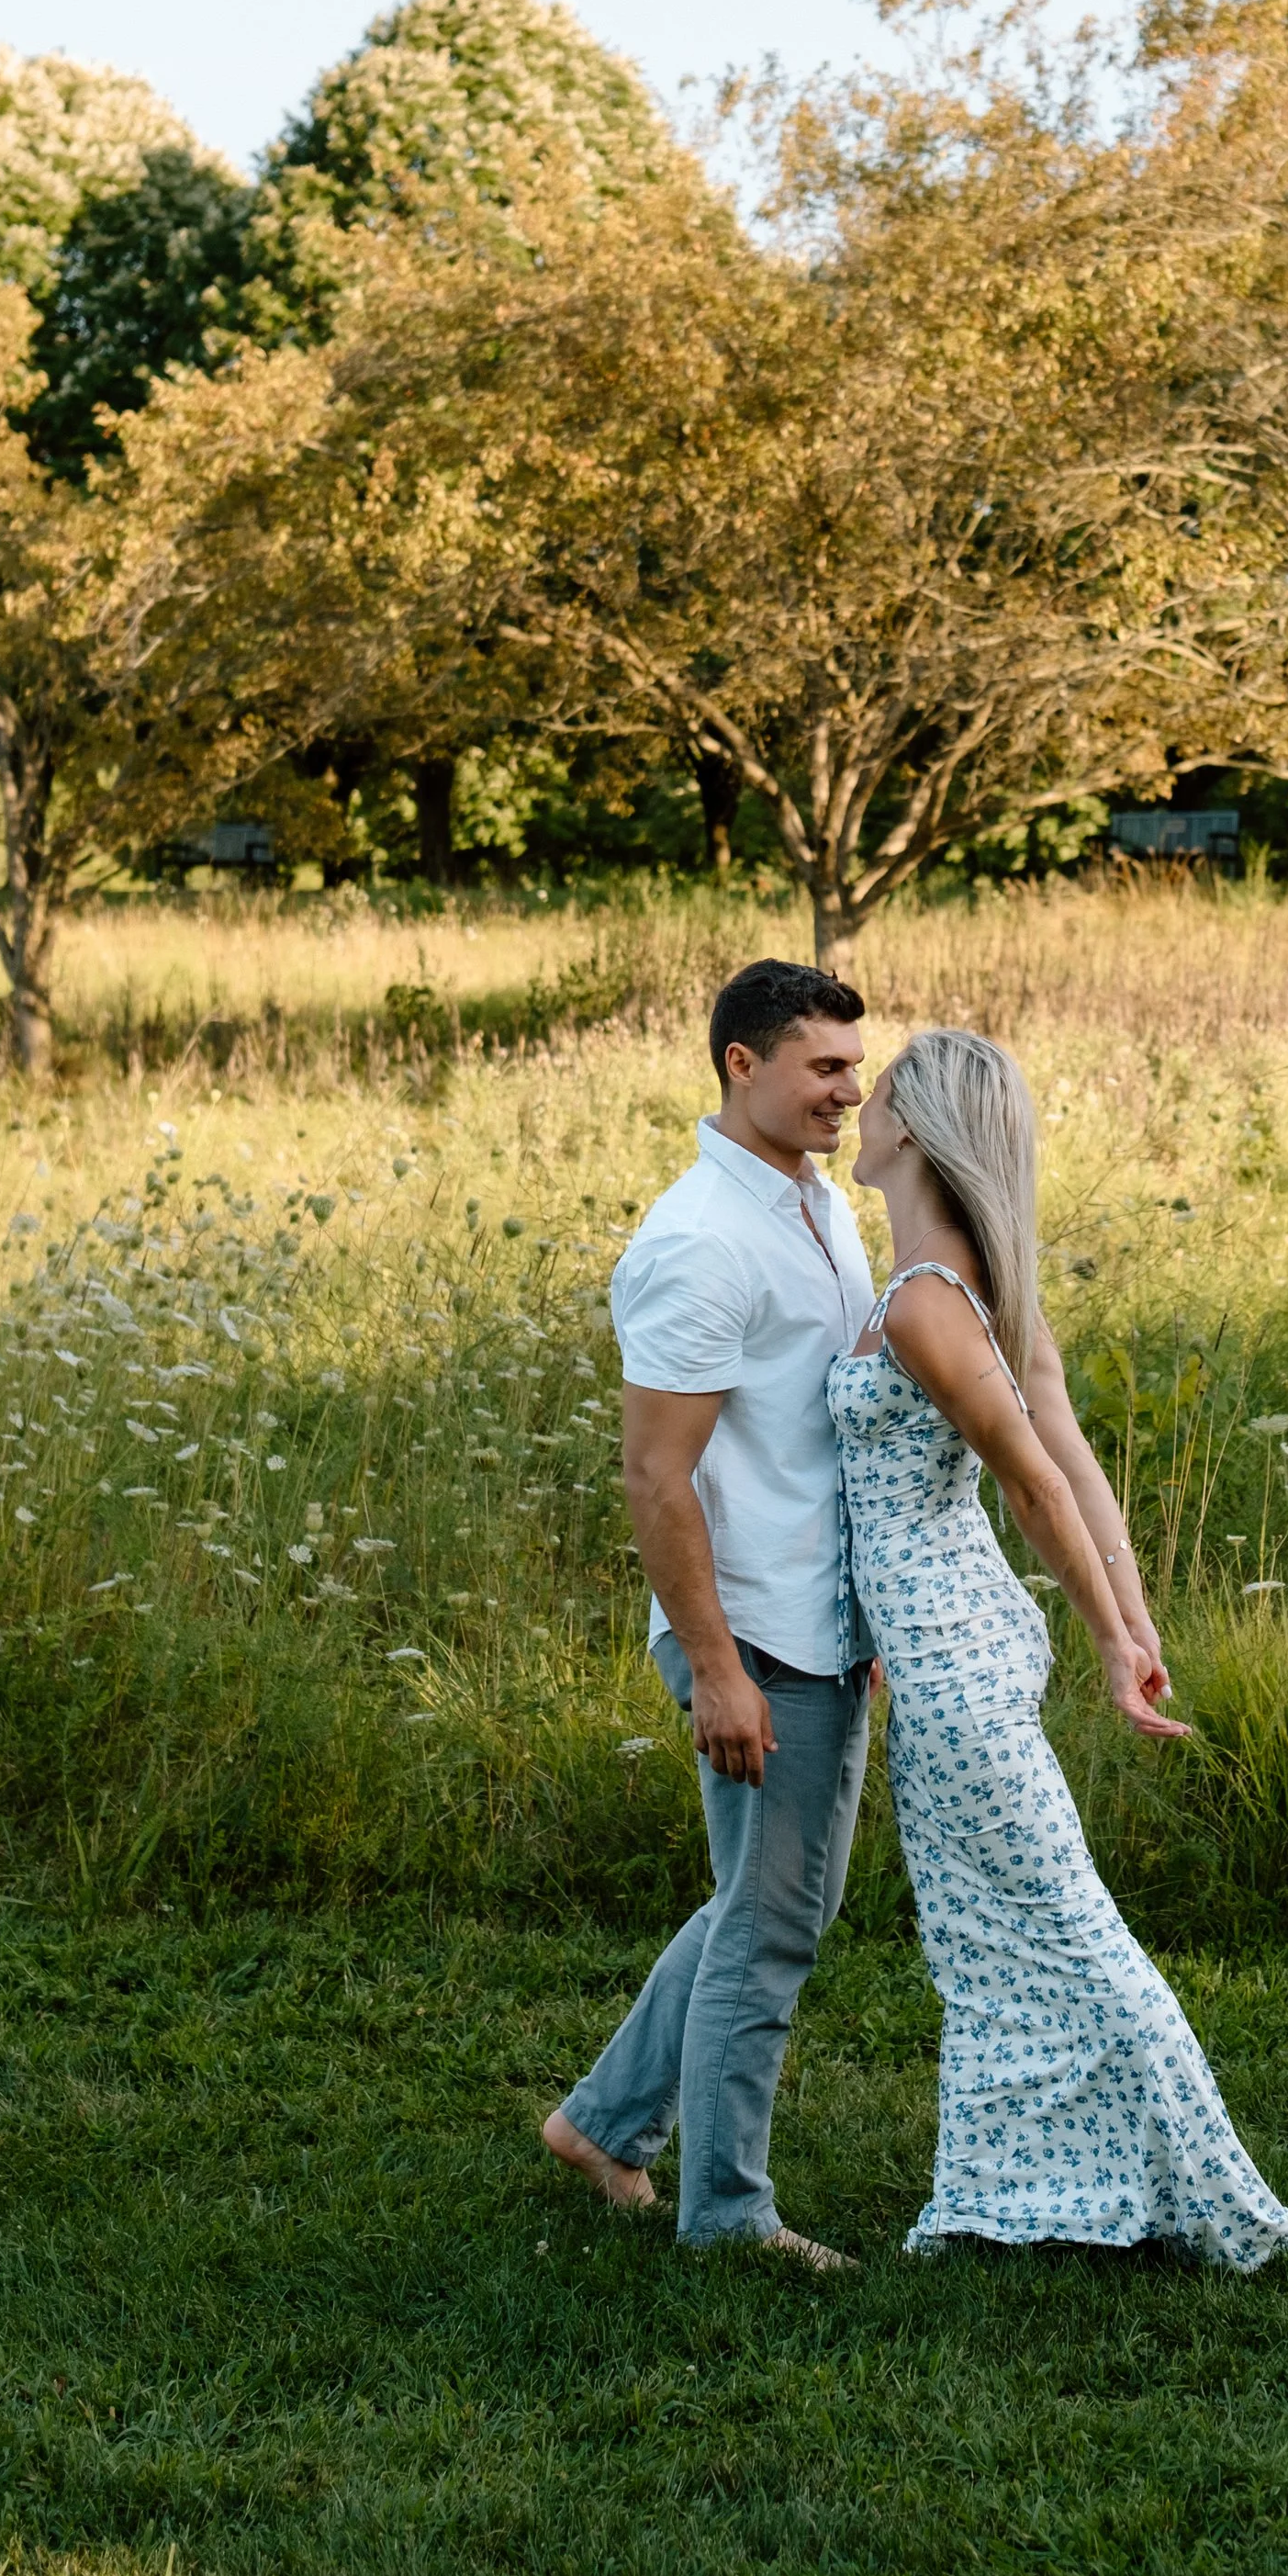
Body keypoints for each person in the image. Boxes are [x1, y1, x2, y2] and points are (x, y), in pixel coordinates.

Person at [832, 1027, 1288, 2269]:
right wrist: (1134, 1613)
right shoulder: (971, 1296)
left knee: (1054, 1925)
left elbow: (1048, 1484)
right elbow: (1077, 1465)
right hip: (946, 1641)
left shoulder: (931, 1309)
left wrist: (1117, 1636)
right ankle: (1021, 2196)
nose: (856, 1107)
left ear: (914, 1134)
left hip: (953, 1655)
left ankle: (1211, 2192)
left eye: (873, 1091)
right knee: (984, 1936)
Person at [543, 958, 876, 2268]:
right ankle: (727, 2213)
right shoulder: (698, 1240)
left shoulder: (814, 1202)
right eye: (826, 1067)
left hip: (821, 1611)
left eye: (854, 1066)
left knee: (764, 1897)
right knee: (776, 1914)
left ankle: (603, 2123)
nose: (851, 1089)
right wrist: (720, 1668)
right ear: (744, 1065)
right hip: (755, 1629)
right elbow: (655, 1473)